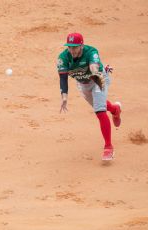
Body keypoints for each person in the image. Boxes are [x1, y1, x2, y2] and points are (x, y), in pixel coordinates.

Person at [57, 32, 122, 161]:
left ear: (81, 46)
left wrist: (94, 71)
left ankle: (108, 147)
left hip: (98, 78)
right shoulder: (63, 58)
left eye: (75, 47)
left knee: (99, 111)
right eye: (69, 47)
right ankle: (115, 109)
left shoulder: (91, 51)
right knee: (100, 106)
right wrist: (64, 97)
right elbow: (63, 79)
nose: (72, 50)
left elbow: (94, 66)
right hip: (83, 84)